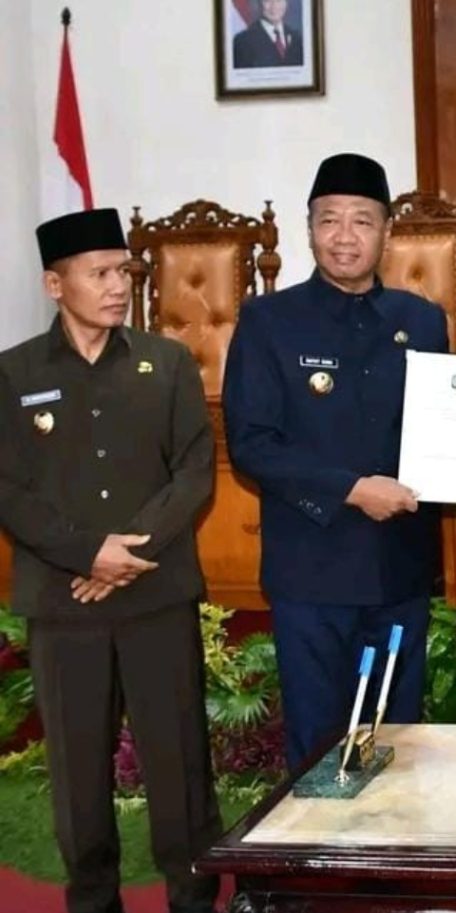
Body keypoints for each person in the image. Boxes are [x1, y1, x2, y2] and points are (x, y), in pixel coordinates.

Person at [0, 208, 221, 913]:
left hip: (156, 593)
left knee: (179, 761)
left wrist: (128, 551)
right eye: (98, 273)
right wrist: (86, 553)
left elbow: (194, 472)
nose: (117, 285)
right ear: (54, 284)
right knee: (78, 770)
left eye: (122, 270)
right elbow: (7, 489)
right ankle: (93, 899)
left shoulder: (168, 363)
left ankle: (194, 894)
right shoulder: (12, 373)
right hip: (64, 602)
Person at [222, 153, 448, 773]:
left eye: (362, 221)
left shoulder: (422, 321)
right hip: (312, 572)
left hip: (400, 571)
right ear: (310, 229)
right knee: (321, 751)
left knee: (398, 743)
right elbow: (252, 443)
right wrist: (351, 489)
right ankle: (314, 843)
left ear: (387, 232)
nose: (344, 236)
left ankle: (397, 843)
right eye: (329, 220)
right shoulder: (269, 321)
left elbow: (443, 433)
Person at [232, 0, 303, 68]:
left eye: (279, 0)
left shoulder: (297, 38)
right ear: (259, 4)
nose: (274, 6)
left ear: (286, 3)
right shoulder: (242, 41)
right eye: (267, 1)